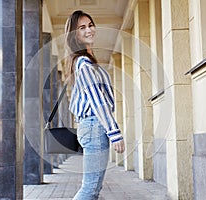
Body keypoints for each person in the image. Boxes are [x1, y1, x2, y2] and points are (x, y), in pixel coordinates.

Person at [65, 10, 125, 200]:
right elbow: (97, 100)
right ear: (75, 34)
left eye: (90, 25)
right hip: (94, 126)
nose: (89, 30)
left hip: (92, 127)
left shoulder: (86, 60)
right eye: (82, 28)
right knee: (90, 189)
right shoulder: (83, 63)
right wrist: (114, 133)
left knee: (93, 189)